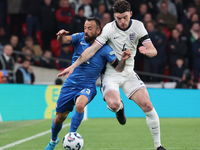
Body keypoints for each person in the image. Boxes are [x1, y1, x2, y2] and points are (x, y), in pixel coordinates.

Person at [59, 0, 167, 150]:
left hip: (128, 72)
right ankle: (119, 109)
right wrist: (73, 66)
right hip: (111, 73)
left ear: (130, 14)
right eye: (118, 18)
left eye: (125, 17)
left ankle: (158, 145)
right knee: (115, 104)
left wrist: (146, 51)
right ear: (114, 16)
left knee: (148, 105)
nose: (122, 21)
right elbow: (91, 50)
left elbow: (153, 50)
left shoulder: (138, 26)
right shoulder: (109, 29)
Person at [45, 17, 131, 150]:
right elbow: (64, 40)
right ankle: (53, 140)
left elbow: (119, 68)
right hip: (69, 85)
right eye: (85, 28)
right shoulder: (79, 38)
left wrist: (123, 60)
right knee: (59, 118)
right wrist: (60, 36)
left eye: (90, 29)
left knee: (80, 105)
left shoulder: (106, 49)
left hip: (87, 86)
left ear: (98, 31)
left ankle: (71, 135)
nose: (86, 31)